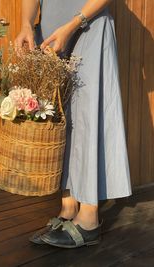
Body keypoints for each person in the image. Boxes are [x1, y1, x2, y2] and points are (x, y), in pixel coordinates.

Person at [15, 0, 132, 249]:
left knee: (87, 115)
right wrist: (26, 23)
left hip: (88, 26)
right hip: (49, 30)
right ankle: (68, 208)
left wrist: (73, 24)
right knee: (59, 119)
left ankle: (89, 217)